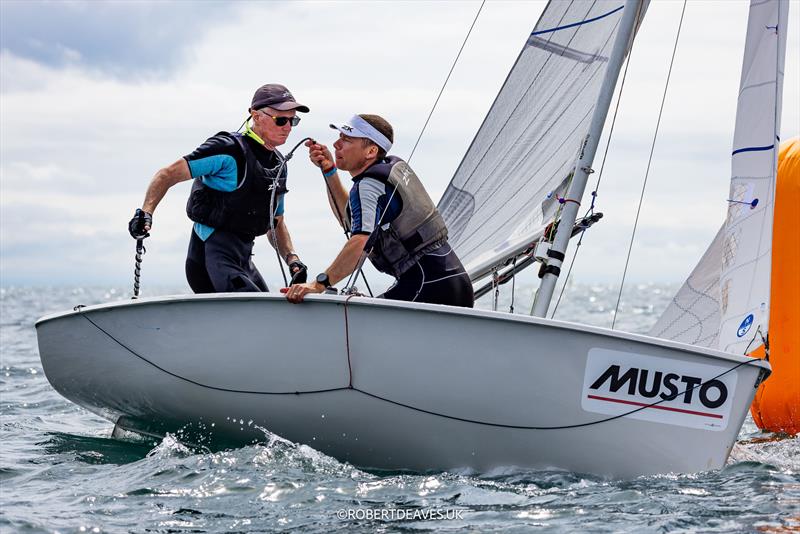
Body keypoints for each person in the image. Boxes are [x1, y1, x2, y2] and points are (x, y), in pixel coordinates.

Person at [128, 83, 309, 293]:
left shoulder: (278, 165)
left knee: (270, 313)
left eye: (293, 120)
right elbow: (167, 174)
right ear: (256, 116)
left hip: (243, 260)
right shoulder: (227, 150)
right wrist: (146, 212)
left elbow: (276, 223)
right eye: (281, 120)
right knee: (257, 315)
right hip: (211, 258)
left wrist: (292, 259)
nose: (287, 127)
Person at [284, 114, 473, 307]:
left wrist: (319, 284)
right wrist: (329, 171)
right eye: (339, 137)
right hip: (447, 283)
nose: (336, 144)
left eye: (346, 139)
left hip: (428, 287)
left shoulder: (369, 186)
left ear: (371, 151)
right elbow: (350, 220)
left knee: (353, 326)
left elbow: (360, 241)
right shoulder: (381, 175)